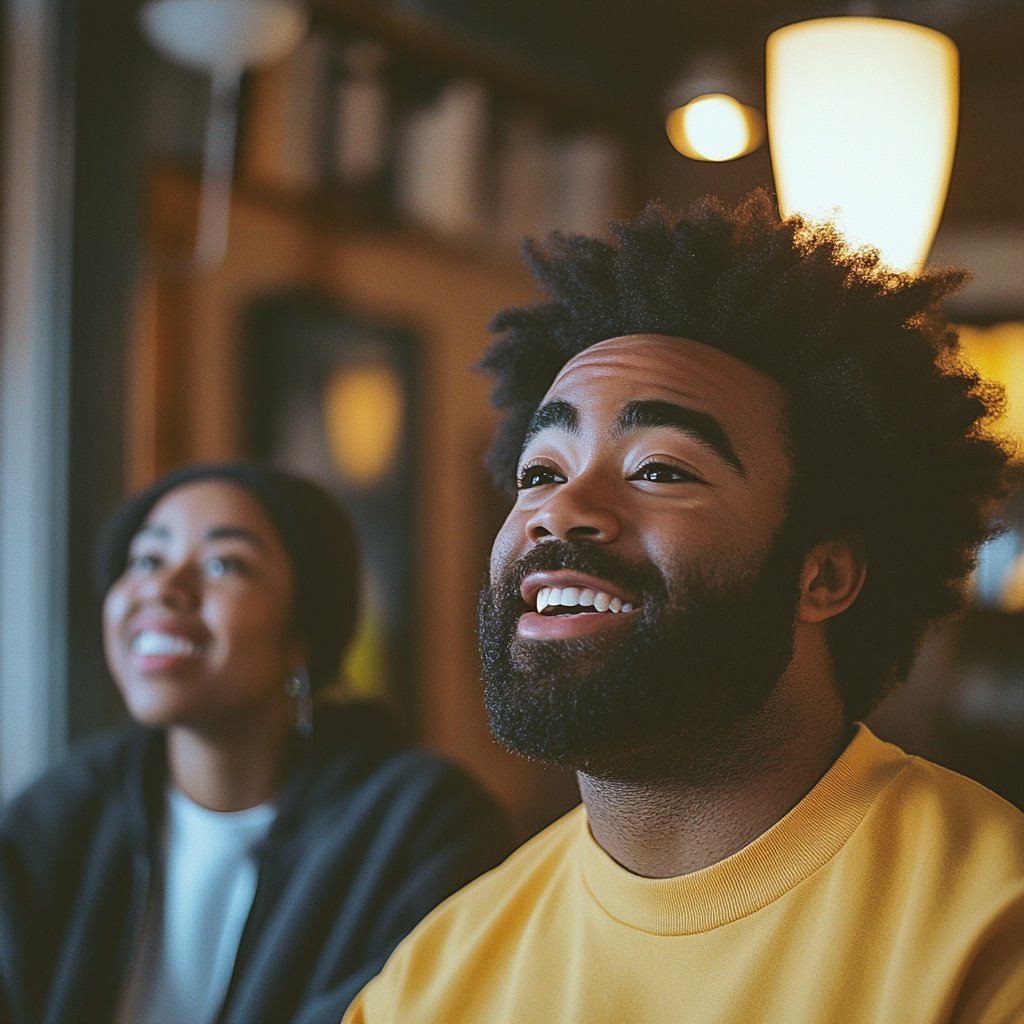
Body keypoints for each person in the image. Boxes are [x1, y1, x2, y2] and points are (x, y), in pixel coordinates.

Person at [342, 192, 1024, 1023]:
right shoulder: (430, 980)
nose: (560, 510)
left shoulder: (990, 927)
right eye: (541, 473)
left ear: (824, 577)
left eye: (661, 468)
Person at [0, 462, 513, 1024]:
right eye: (146, 559)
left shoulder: (422, 830)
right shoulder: (54, 819)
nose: (163, 589)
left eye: (225, 564)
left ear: (303, 635)